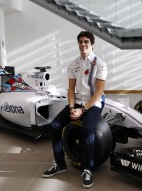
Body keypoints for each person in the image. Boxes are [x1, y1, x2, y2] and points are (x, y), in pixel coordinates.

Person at [42, 31, 107, 188]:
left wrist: (82, 110)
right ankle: (59, 164)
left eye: (86, 42)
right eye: (80, 42)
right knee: (55, 125)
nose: (83, 45)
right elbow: (70, 89)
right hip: (77, 101)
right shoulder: (73, 64)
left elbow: (98, 92)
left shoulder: (100, 64)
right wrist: (72, 108)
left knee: (87, 128)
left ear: (92, 44)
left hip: (94, 102)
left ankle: (88, 169)